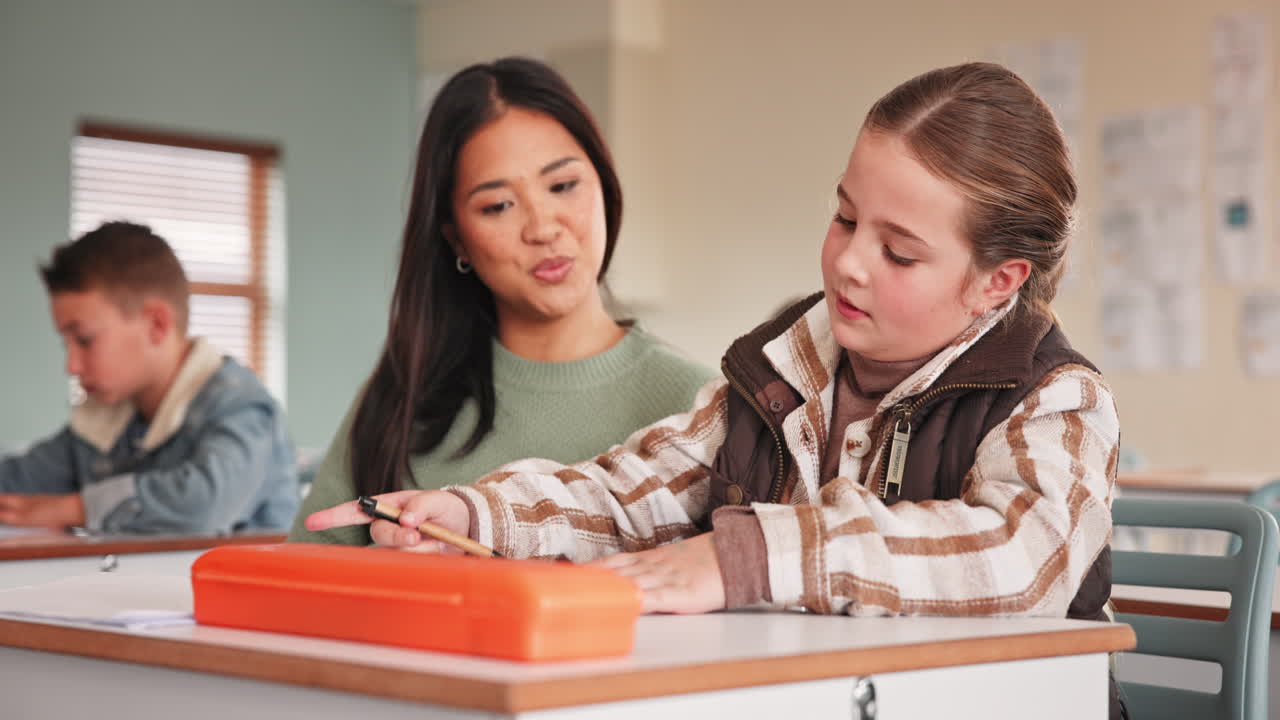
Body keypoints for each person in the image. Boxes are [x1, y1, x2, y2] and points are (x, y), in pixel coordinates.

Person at [305, 60, 1123, 717]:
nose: (848, 262)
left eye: (899, 252)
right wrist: (475, 512)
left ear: (997, 281)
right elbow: (634, 489)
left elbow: (1020, 560)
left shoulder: (1058, 399)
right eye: (844, 218)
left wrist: (747, 557)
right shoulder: (777, 371)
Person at [289, 57, 714, 545]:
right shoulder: (404, 398)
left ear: (605, 186)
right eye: (497, 206)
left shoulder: (698, 406)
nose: (542, 227)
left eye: (563, 186)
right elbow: (300, 584)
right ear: (457, 241)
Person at [0, 221, 299, 533]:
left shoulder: (242, 407)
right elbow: (17, 483)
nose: (71, 366)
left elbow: (204, 504)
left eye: (85, 340)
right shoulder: (107, 416)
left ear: (156, 324)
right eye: (66, 344)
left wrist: (74, 509)